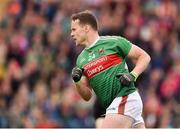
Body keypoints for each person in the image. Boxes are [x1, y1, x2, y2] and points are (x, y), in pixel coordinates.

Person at [70, 10, 151, 128]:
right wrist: (77, 82)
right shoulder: (81, 59)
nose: (71, 34)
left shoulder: (113, 42)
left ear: (86, 28)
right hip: (115, 105)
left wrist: (133, 75)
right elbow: (87, 96)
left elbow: (144, 57)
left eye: (74, 29)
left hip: (125, 98)